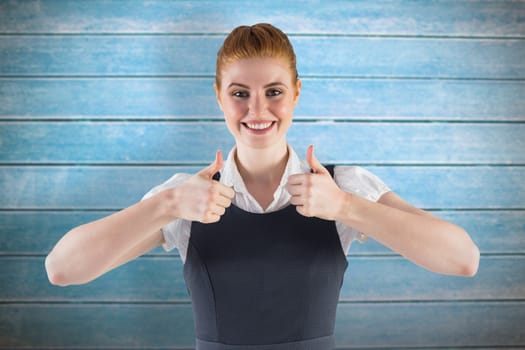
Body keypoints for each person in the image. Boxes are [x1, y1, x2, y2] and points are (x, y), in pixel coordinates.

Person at [45, 23, 480, 350]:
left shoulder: (341, 186)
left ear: (295, 93)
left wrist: (347, 207)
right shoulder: (185, 196)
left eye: (273, 91)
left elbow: (463, 259)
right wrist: (167, 205)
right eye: (239, 93)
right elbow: (62, 269)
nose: (257, 109)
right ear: (219, 96)